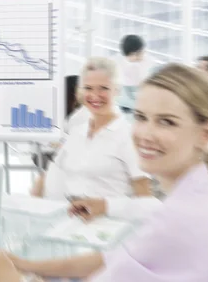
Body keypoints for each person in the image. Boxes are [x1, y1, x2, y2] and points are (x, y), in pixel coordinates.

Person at [0, 64, 208, 281]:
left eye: (167, 121)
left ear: (206, 134)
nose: (145, 134)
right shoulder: (195, 196)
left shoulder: (181, 219)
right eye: (141, 117)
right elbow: (115, 258)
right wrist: (25, 265)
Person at [30, 57, 153, 219]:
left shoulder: (129, 136)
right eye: (88, 88)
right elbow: (50, 174)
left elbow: (144, 200)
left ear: (116, 90)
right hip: (71, 221)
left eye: (103, 88)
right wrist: (31, 210)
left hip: (110, 227)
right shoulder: (77, 132)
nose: (95, 95)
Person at [115, 35, 155, 113]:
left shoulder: (148, 61)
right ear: (127, 54)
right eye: (134, 54)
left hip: (144, 94)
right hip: (125, 98)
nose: (138, 56)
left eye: (140, 52)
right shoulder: (118, 62)